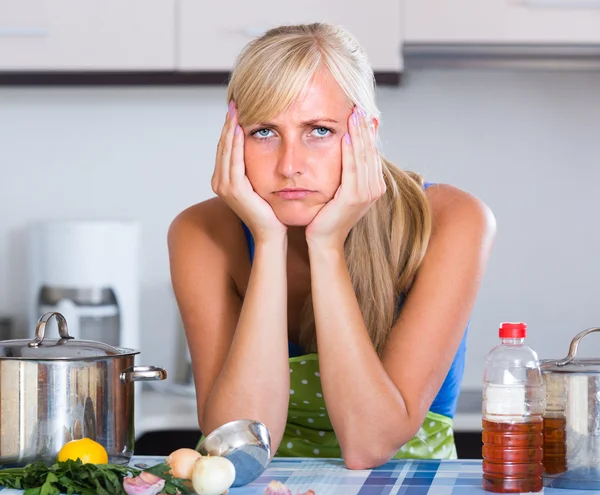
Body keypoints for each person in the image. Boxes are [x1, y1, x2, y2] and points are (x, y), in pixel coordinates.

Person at [167, 23, 496, 470]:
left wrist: (326, 247)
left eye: (318, 130)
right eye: (264, 131)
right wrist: (267, 243)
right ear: (233, 137)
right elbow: (236, 448)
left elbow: (369, 444)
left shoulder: (451, 221)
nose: (289, 165)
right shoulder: (199, 234)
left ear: (366, 132)